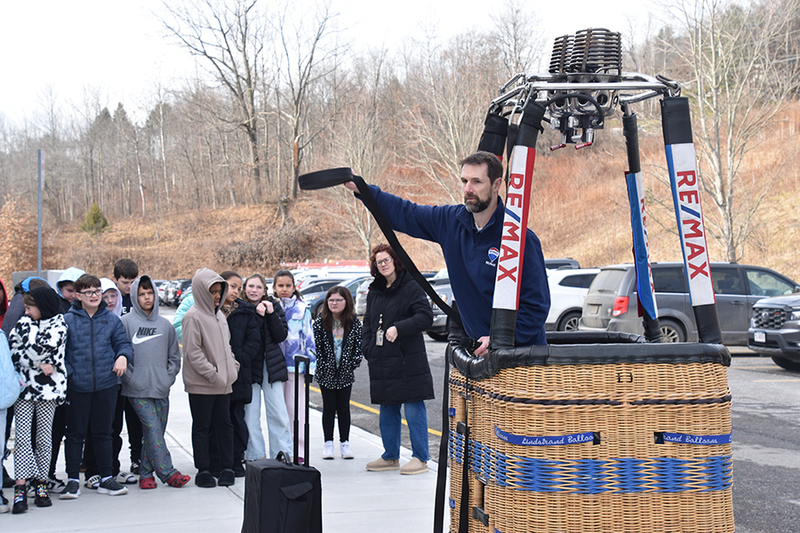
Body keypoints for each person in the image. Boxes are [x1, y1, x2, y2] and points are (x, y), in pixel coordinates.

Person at [343, 151, 550, 353]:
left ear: (496, 184)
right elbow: (406, 213)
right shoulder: (451, 221)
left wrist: (499, 339)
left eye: (477, 182)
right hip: (481, 354)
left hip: (521, 357)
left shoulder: (519, 240)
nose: (468, 189)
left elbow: (536, 308)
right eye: (464, 181)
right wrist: (362, 189)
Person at [362, 244, 434, 475]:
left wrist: (399, 328)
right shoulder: (375, 290)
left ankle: (421, 458)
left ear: (395, 260)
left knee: (413, 407)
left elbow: (425, 317)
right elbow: (368, 323)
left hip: (407, 359)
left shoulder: (411, 286)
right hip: (382, 359)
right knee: (387, 409)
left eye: (386, 260)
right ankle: (390, 456)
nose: (382, 265)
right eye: (378, 262)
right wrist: (369, 348)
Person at [61, 274, 133, 499]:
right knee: (75, 435)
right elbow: (59, 353)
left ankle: (106, 478)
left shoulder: (112, 320)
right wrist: (70, 374)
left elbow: (124, 344)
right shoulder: (67, 320)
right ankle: (73, 480)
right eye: (88, 292)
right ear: (79, 295)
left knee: (104, 433)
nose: (94, 295)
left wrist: (122, 356)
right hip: (77, 387)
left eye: (97, 291)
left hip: (106, 385)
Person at [120, 276, 190, 489]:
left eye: (149, 293)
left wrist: (168, 378)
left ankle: (145, 474)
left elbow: (174, 357)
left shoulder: (165, 325)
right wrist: (131, 378)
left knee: (155, 432)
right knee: (152, 429)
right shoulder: (126, 322)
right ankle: (168, 473)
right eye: (141, 294)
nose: (147, 297)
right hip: (136, 389)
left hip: (161, 388)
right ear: (134, 297)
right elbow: (121, 353)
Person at [8, 287, 67, 513]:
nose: (26, 311)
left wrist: (30, 350)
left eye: (30, 307)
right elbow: (15, 353)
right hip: (24, 391)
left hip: (49, 392)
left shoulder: (60, 325)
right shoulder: (23, 323)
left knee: (44, 439)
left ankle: (42, 482)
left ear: (43, 306)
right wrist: (36, 363)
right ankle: (21, 486)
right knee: (22, 440)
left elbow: (42, 350)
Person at [182, 268, 239, 488]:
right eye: (213, 292)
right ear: (200, 291)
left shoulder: (220, 316)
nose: (217, 296)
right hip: (202, 386)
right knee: (202, 427)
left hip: (224, 383)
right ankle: (203, 469)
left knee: (224, 425)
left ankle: (226, 466)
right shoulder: (192, 317)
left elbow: (227, 347)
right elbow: (193, 353)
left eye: (219, 292)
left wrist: (232, 369)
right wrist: (214, 375)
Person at [241, 273, 292, 462]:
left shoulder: (274, 306)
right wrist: (257, 316)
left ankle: (282, 453)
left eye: (258, 287)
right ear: (245, 288)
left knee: (278, 412)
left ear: (265, 290)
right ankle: (255, 455)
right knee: (250, 414)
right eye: (251, 286)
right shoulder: (241, 307)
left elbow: (281, 335)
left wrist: (270, 314)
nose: (254, 290)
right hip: (249, 367)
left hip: (271, 366)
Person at [313, 286, 363, 460]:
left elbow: (359, 347)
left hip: (345, 373)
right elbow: (316, 348)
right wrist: (323, 365)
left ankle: (345, 444)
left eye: (339, 300)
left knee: (343, 408)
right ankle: (328, 444)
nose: (334, 303)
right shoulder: (320, 322)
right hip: (326, 373)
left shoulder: (354, 322)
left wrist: (352, 364)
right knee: (328, 408)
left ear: (346, 302)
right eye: (331, 300)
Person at [218, 271, 259, 477]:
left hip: (239, 373)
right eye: (231, 286)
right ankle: (218, 460)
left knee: (237, 417)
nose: (235, 290)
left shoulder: (245, 311)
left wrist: (238, 357)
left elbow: (255, 341)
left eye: (237, 287)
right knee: (218, 418)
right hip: (216, 375)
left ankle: (236, 459)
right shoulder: (210, 310)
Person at [273, 270, 316, 464]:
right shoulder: (268, 307)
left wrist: (311, 367)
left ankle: (298, 450)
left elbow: (309, 338)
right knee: (277, 411)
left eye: (287, 285)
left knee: (295, 410)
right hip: (273, 367)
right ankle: (280, 449)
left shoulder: (302, 309)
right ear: (274, 287)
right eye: (280, 285)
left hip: (295, 367)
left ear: (294, 287)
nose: (284, 289)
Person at [111, 258, 143, 480]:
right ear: (115, 280)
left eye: (133, 281)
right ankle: (110, 463)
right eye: (125, 282)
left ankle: (137, 459)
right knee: (114, 422)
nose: (129, 286)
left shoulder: (140, 300)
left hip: (137, 370)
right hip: (114, 371)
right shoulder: (110, 300)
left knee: (136, 420)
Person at [0, 330, 21, 513]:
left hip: (2, 400)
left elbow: (9, 365)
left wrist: (16, 381)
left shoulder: (0, 335)